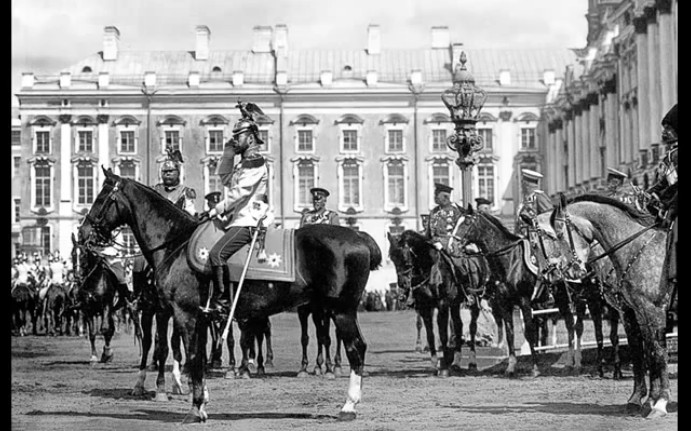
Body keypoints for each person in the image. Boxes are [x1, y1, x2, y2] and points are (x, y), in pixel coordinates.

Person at [200, 101, 270, 315]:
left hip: (248, 220)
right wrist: (228, 153)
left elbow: (240, 193)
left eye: (237, 136)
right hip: (238, 218)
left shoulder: (255, 162)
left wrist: (216, 209)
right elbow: (226, 179)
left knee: (217, 254)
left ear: (250, 138)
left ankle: (222, 302)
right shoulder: (243, 163)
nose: (234, 139)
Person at [646, 104, 678, 288]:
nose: (665, 133)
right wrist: (648, 193)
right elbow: (663, 183)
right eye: (664, 128)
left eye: (669, 129)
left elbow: (676, 187)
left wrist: (669, 207)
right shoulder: (669, 155)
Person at [515, 169, 554, 237]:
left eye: (522, 184)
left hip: (538, 239)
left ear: (528, 185)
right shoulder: (526, 200)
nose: (521, 187)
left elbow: (549, 217)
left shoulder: (540, 197)